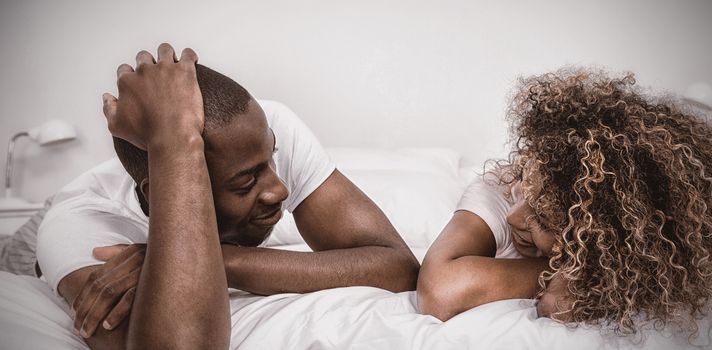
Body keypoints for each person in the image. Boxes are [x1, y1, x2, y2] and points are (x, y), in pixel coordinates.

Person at [37, 44, 419, 349]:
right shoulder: (80, 226)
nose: (280, 190)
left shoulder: (260, 130)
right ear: (161, 190)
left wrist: (224, 261)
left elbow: (398, 266)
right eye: (245, 182)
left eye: (272, 159)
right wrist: (176, 143)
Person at [417, 68, 712, 335]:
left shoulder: (627, 245)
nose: (514, 218)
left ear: (598, 237)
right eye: (526, 191)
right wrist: (567, 271)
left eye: (543, 220)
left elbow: (557, 306)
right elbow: (441, 293)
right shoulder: (503, 184)